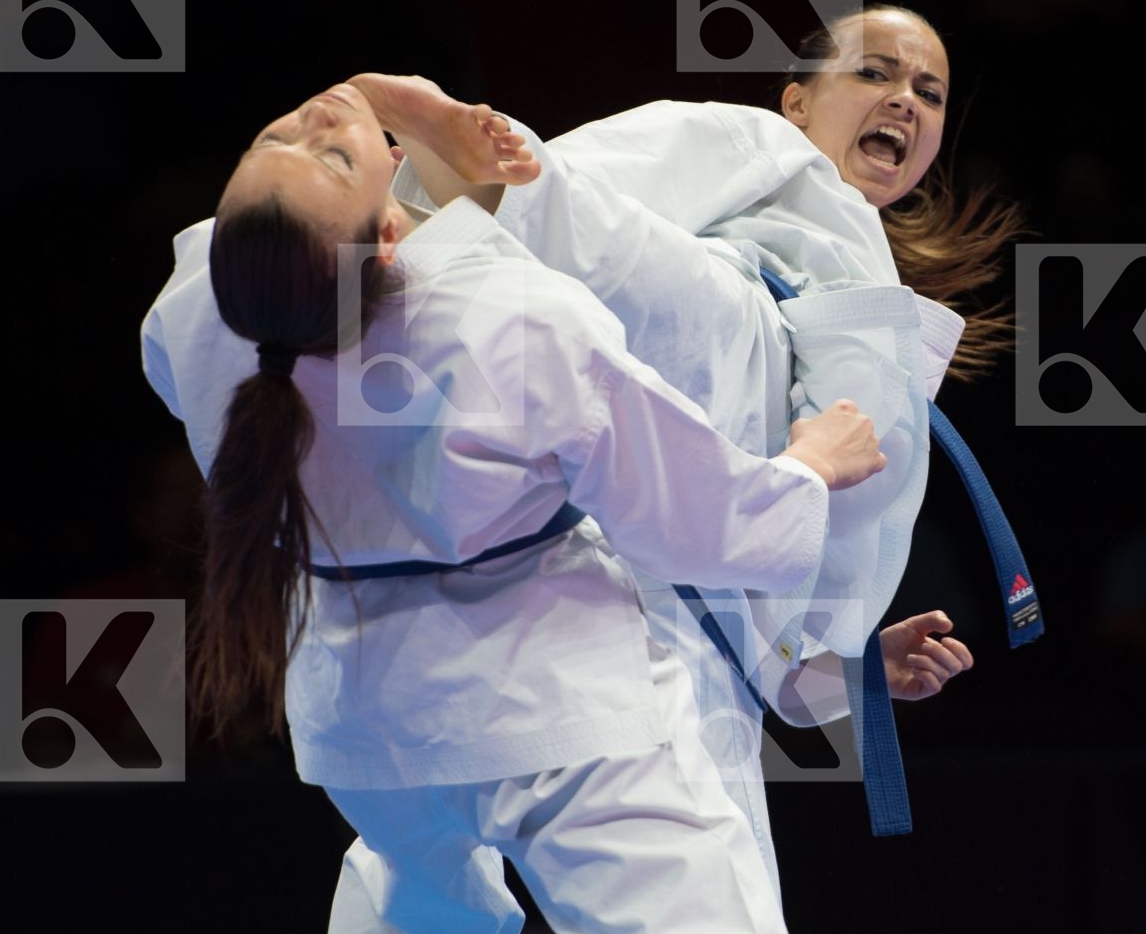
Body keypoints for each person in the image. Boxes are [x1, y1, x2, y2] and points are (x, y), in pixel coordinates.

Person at [140, 80, 890, 933]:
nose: (315, 114)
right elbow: (692, 514)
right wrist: (807, 465)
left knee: (416, 903)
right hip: (552, 717)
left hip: (369, 736)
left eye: (281, 128)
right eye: (328, 149)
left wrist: (395, 141)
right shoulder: (511, 321)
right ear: (387, 238)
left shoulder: (203, 309)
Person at [354, 3, 1026, 898]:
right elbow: (613, 182)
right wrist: (490, 179)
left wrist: (850, 667)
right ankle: (466, 186)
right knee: (675, 297)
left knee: (426, 890)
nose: (904, 99)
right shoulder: (757, 144)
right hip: (630, 402)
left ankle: (456, 208)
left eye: (928, 92)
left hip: (642, 608)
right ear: (796, 101)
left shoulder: (881, 302)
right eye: (875, 73)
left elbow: (776, 636)